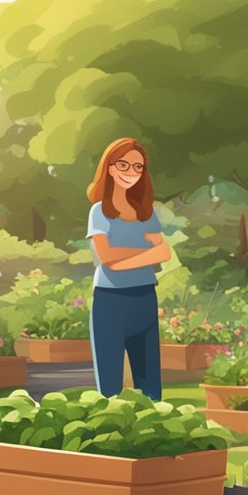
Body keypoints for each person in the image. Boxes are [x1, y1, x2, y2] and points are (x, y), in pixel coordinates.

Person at [86, 137, 170, 399]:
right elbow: (106, 256)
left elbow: (165, 252)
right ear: (109, 167)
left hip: (144, 297)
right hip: (111, 300)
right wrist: (147, 253)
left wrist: (122, 261)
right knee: (109, 385)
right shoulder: (99, 212)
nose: (130, 173)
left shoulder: (146, 212)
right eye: (123, 165)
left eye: (137, 167)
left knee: (150, 384)